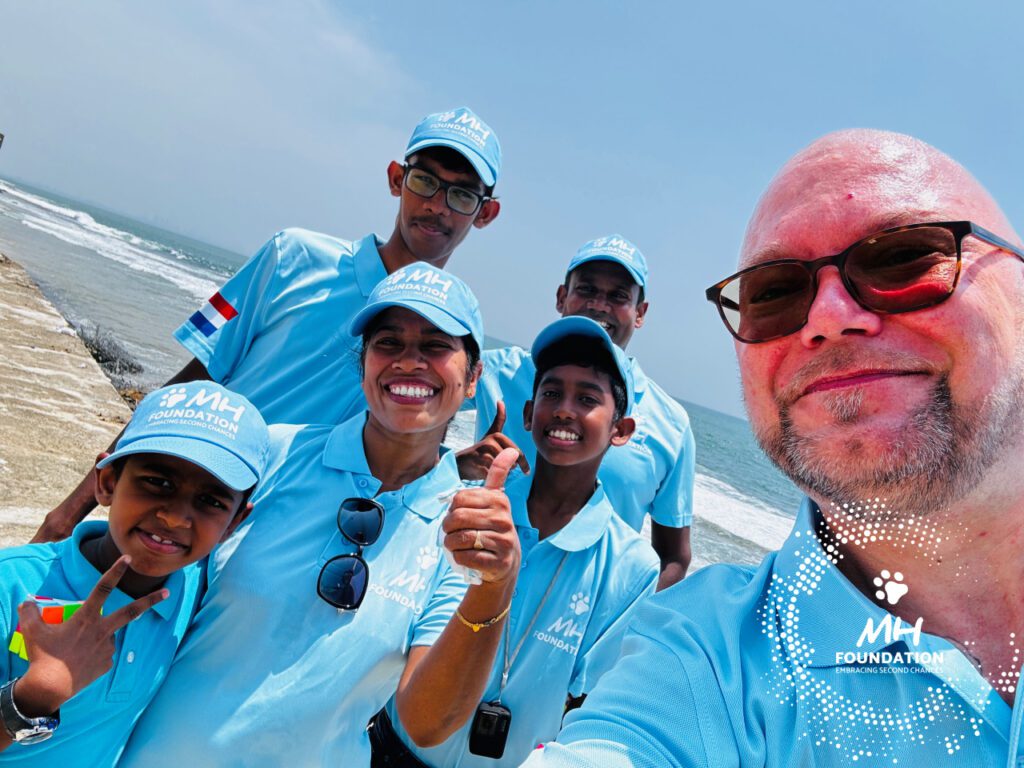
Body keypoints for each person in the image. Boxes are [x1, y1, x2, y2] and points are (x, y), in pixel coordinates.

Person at [523, 130, 1024, 767]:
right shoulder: (702, 660)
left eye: (903, 258)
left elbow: (672, 549)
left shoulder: (670, 424)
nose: (827, 316)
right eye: (774, 293)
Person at [37, 106, 502, 543]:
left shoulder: (451, 337)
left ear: (485, 213)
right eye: (424, 181)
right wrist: (67, 515)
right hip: (182, 508)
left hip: (277, 542)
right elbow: (187, 385)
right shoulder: (292, 257)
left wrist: (449, 466)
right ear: (396, 179)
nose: (438, 205)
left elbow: (400, 453)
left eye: (461, 194)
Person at [119, 264, 521, 767]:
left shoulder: (461, 531)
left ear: (472, 378)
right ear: (364, 364)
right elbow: (145, 553)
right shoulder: (269, 455)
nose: (408, 362)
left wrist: (495, 584)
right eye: (388, 343)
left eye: (436, 346)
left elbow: (427, 721)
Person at [369, 316, 659, 767]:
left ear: (620, 429)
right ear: (529, 414)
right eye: (551, 393)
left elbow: (589, 705)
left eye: (587, 398)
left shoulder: (631, 564)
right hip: (391, 746)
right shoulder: (471, 504)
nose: (564, 409)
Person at [0, 380, 268, 765]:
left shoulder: (195, 595)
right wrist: (32, 697)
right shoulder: (13, 587)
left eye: (210, 501)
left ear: (233, 523)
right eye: (158, 483)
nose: (174, 516)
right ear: (107, 482)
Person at [459, 236, 696, 588]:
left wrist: (627, 620)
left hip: (577, 616)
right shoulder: (498, 370)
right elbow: (400, 419)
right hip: (473, 574)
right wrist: (457, 465)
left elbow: (673, 555)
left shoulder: (671, 425)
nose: (599, 305)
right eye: (586, 289)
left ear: (641, 312)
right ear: (561, 297)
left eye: (618, 296)